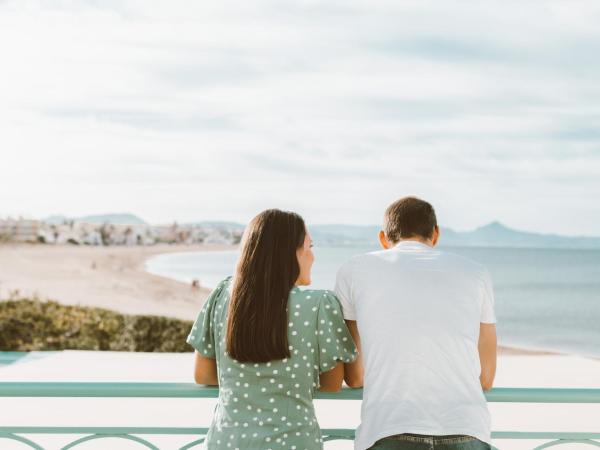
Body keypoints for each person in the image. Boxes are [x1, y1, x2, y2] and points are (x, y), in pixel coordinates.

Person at [187, 209, 358, 450]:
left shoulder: (223, 295)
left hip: (227, 442)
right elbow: (331, 382)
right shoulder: (319, 305)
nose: (313, 257)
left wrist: (250, 380)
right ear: (288, 253)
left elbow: (202, 375)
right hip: (294, 443)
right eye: (309, 247)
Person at [335, 196, 497, 450]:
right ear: (436, 234)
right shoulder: (475, 272)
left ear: (383, 238)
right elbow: (486, 378)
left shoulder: (354, 269)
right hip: (466, 428)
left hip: (388, 428)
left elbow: (355, 377)